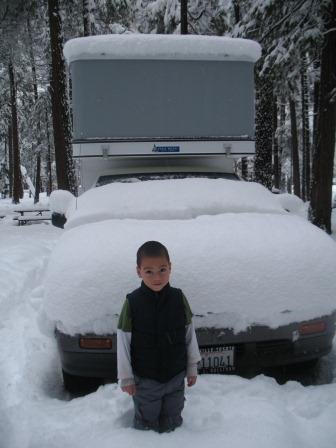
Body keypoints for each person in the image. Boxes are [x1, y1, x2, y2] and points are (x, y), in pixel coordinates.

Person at [117, 240, 201, 433]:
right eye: (149, 271)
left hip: (175, 377)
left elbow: (189, 333)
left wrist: (192, 366)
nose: (157, 277)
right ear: (139, 271)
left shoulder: (178, 298)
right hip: (146, 380)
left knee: (173, 419)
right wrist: (126, 377)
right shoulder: (132, 302)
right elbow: (123, 341)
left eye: (162, 269)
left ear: (170, 268)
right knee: (147, 421)